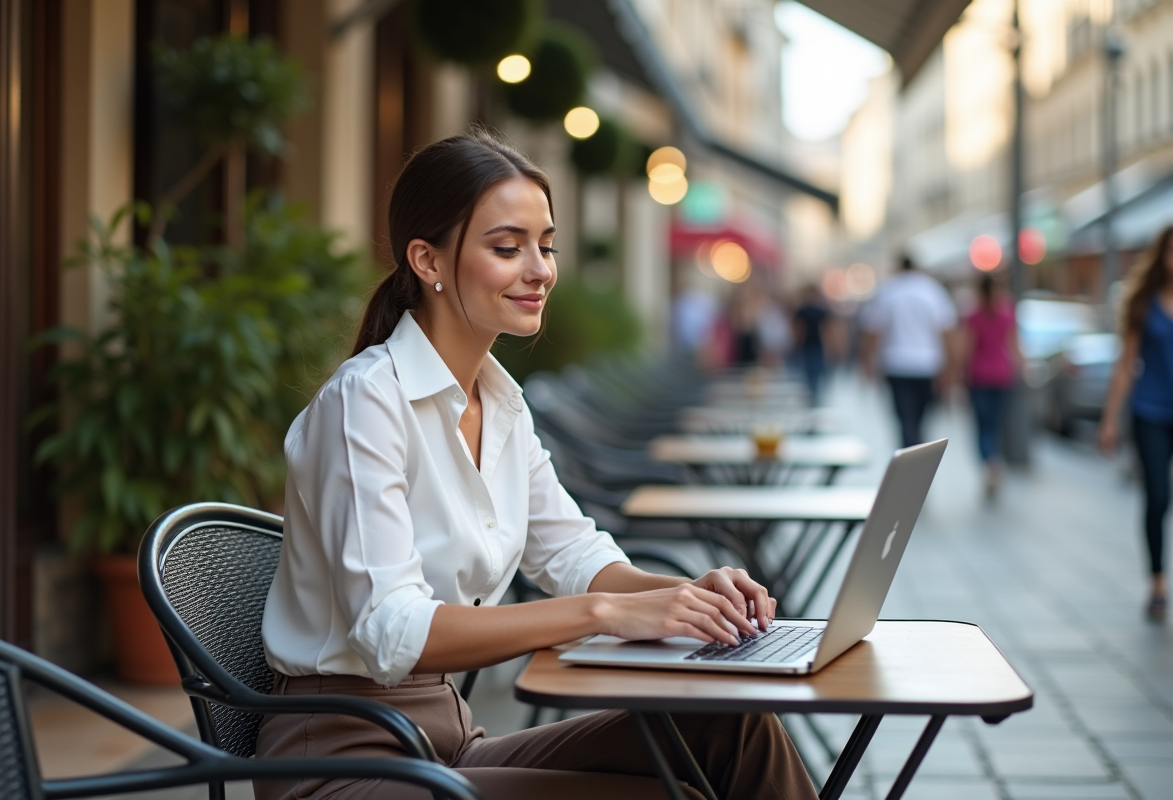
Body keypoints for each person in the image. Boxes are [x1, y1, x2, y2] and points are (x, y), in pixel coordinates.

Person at [255, 130, 816, 800]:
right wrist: (602, 613)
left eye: (545, 245)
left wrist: (687, 595)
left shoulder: (500, 402)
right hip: (343, 765)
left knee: (736, 727)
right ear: (427, 259)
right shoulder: (364, 402)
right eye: (506, 246)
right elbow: (391, 631)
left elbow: (575, 555)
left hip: (448, 742)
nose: (540, 268)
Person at [1100, 224, 1173, 622]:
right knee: (1158, 496)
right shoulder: (1145, 302)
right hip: (1151, 412)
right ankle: (1158, 580)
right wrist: (1110, 419)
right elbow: (1126, 365)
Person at [860, 256, 958, 448]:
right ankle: (915, 454)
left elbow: (874, 330)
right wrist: (951, 367)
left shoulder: (888, 290)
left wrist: (867, 361)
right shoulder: (932, 290)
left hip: (896, 364)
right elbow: (946, 332)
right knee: (921, 420)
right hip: (927, 365)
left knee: (905, 419)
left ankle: (909, 455)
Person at [961, 274, 1021, 499]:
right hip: (1002, 375)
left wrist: (958, 374)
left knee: (982, 425)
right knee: (995, 425)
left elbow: (966, 348)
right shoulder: (1007, 312)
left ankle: (990, 462)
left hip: (979, 377)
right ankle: (994, 461)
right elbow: (1015, 345)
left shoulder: (974, 316)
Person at [793, 284, 839, 406]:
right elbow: (829, 332)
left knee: (808, 376)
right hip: (816, 348)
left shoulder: (803, 311)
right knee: (816, 376)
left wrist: (796, 345)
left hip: (809, 347)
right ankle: (814, 399)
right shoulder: (821, 311)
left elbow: (799, 331)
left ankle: (812, 399)